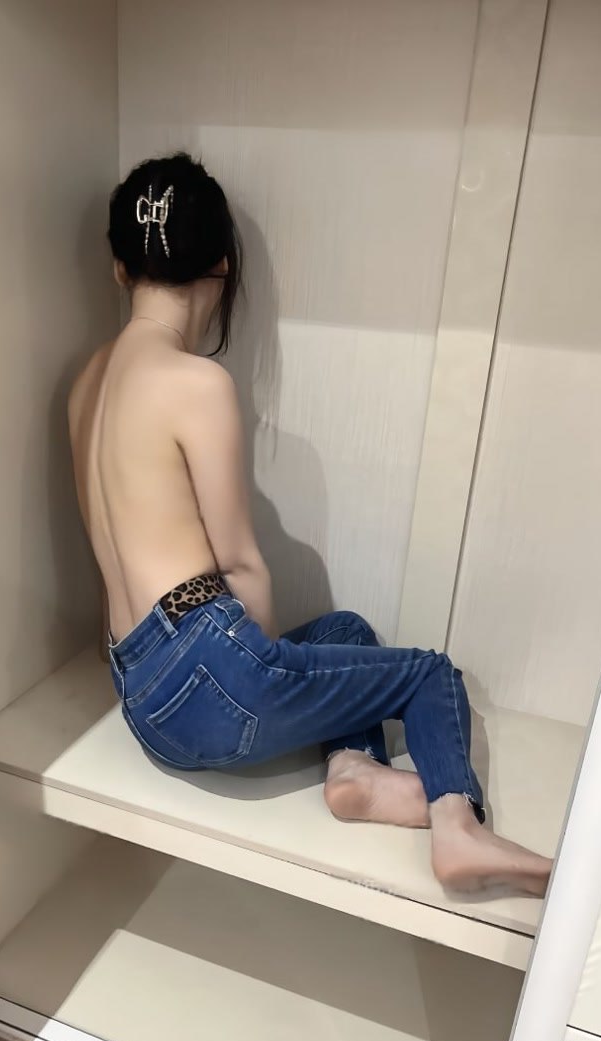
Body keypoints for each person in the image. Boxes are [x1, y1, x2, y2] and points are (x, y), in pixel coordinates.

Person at [68, 152, 551, 898]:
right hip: (211, 677)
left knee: (347, 631)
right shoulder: (196, 383)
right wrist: (262, 677)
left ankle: (355, 771)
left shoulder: (88, 382)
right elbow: (241, 564)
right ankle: (458, 826)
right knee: (429, 674)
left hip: (140, 694)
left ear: (119, 267)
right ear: (222, 267)